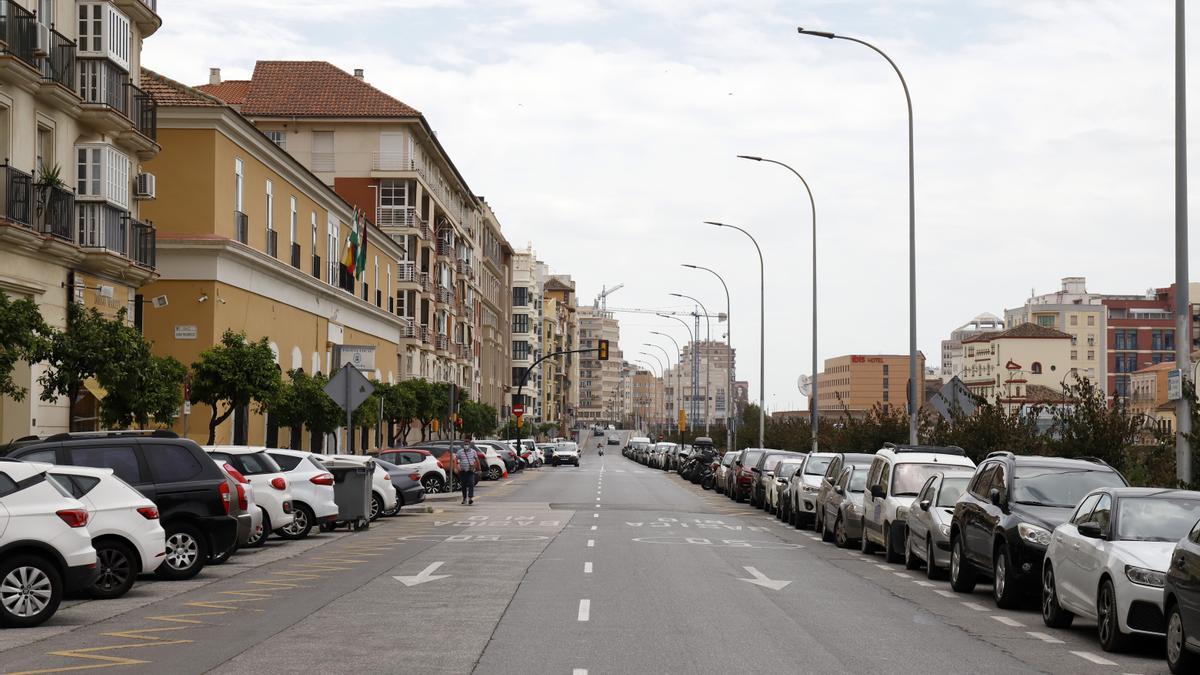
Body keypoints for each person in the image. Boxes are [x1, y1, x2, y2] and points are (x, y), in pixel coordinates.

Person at [452, 435, 481, 505]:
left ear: (470, 443)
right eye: (465, 442)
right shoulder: (460, 452)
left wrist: (479, 469)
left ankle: (470, 498)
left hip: (470, 471)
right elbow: (455, 460)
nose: (466, 444)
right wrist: (455, 467)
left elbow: (477, 460)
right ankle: (464, 498)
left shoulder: (473, 452)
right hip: (462, 471)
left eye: (467, 442)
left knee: (471, 483)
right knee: (463, 486)